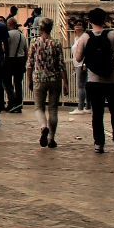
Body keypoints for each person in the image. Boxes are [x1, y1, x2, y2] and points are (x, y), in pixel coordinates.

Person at [72, 8, 114, 153]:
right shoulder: (111, 35)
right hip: (112, 80)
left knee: (97, 114)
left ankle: (99, 143)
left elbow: (78, 58)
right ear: (104, 19)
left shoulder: (85, 37)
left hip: (94, 81)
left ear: (90, 21)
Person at [26, 19, 68, 148]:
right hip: (54, 79)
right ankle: (51, 138)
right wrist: (65, 82)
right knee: (53, 109)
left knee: (39, 107)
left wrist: (29, 80)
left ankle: (43, 126)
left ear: (40, 28)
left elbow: (29, 64)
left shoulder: (34, 43)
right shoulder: (56, 43)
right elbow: (61, 65)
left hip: (39, 78)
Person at [3, 16, 28, 112]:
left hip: (10, 60)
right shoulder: (22, 35)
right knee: (18, 84)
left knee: (7, 82)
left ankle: (12, 102)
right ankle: (19, 104)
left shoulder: (8, 34)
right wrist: (24, 63)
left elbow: (4, 48)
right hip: (20, 60)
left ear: (9, 24)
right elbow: (26, 51)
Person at [69, 21, 89, 114]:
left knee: (81, 86)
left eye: (79, 25)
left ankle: (81, 107)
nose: (77, 26)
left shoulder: (84, 37)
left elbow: (86, 51)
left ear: (83, 27)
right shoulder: (77, 38)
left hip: (82, 64)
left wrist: (85, 64)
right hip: (77, 64)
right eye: (76, 24)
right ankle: (87, 106)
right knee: (84, 86)